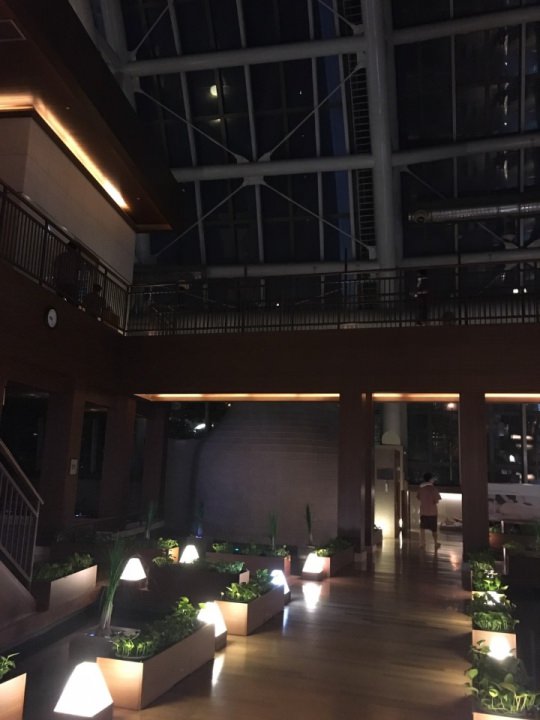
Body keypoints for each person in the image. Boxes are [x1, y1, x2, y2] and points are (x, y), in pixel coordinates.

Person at [416, 472, 441, 551]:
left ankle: (422, 543)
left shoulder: (421, 488)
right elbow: (436, 501)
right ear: (430, 479)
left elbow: (418, 497)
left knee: (422, 528)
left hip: (423, 511)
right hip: (432, 512)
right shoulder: (433, 489)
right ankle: (436, 543)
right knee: (434, 529)